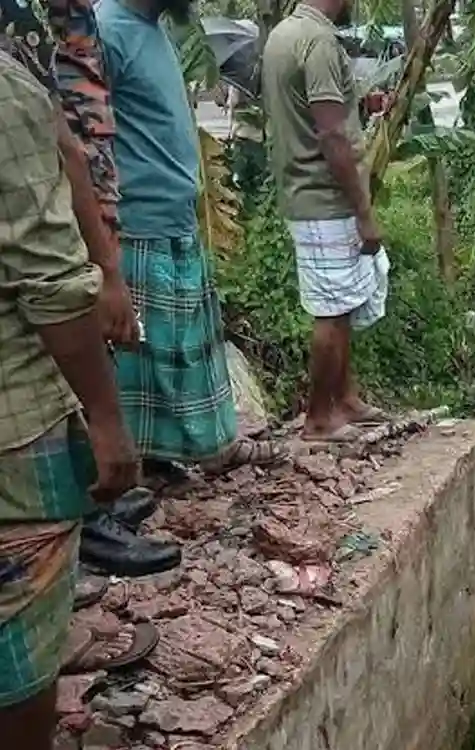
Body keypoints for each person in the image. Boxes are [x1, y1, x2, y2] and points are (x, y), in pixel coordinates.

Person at [0, 0, 181, 578]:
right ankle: (78, 536)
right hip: (43, 220)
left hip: (73, 197)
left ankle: (85, 518)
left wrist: (104, 261)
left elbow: (67, 141)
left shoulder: (49, 16)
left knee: (78, 351)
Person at [0, 40, 143, 749]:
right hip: (13, 424)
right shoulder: (4, 90)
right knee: (20, 653)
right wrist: (108, 420)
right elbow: (50, 285)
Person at [96, 0, 285, 471]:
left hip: (173, 217)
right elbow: (86, 143)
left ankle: (210, 445)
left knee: (183, 349)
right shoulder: (105, 31)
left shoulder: (153, 29)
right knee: (142, 359)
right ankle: (135, 471)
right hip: (137, 222)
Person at [261, 0, 392, 442]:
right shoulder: (317, 42)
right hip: (325, 197)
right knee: (332, 311)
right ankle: (319, 418)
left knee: (342, 301)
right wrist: (364, 212)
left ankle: (347, 400)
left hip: (306, 192)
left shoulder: (285, 34)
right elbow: (332, 135)